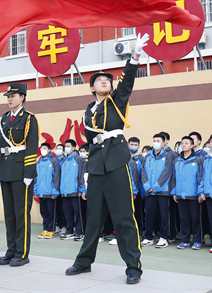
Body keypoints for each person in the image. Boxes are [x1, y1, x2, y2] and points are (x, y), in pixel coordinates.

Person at [65, 33, 148, 285]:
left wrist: (135, 57)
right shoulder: (86, 113)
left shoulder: (117, 101)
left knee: (124, 217)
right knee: (93, 219)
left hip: (116, 161)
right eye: (99, 81)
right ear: (92, 88)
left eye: (107, 80)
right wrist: (89, 170)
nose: (104, 82)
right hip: (97, 165)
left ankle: (133, 266)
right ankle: (83, 262)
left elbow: (127, 83)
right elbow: (90, 141)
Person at [0, 83, 39, 267]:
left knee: (21, 214)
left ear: (22, 97)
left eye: (13, 96)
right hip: (6, 170)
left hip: (21, 172)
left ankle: (22, 253)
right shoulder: (4, 119)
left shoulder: (29, 118)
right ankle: (11, 250)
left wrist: (29, 172)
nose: (10, 99)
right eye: (8, 96)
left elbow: (31, 145)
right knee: (10, 214)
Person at [140, 133, 173, 249]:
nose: (156, 143)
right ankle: (148, 237)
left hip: (162, 191)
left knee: (163, 215)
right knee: (149, 214)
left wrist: (156, 186)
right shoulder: (147, 156)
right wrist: (147, 186)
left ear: (164, 143)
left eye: (158, 141)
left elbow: (167, 173)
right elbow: (143, 172)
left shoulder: (168, 156)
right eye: (154, 140)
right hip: (149, 191)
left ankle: (164, 237)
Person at [171, 136, 204, 250]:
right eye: (182, 143)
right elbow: (174, 178)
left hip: (193, 195)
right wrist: (174, 192)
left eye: (186, 143)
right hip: (180, 194)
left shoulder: (198, 160)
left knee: (195, 219)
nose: (183, 145)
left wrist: (200, 193)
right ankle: (185, 240)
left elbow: (200, 178)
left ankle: (197, 241)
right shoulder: (176, 161)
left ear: (192, 145)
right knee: (183, 218)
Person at [59, 139, 86, 241]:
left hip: (75, 192)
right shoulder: (64, 160)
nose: (66, 148)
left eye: (68, 146)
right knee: (67, 213)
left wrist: (80, 189)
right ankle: (69, 231)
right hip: (65, 192)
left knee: (78, 213)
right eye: (66, 146)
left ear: (74, 148)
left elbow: (82, 175)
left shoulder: (78, 159)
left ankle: (80, 232)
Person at [34, 142, 60, 239]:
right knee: (43, 212)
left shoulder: (54, 162)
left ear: (49, 150)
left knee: (51, 212)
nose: (42, 150)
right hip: (41, 192)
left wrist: (55, 191)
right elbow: (35, 178)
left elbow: (56, 178)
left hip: (50, 193)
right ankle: (45, 229)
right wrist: (35, 191)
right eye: (41, 148)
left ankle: (51, 230)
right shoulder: (38, 162)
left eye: (45, 148)